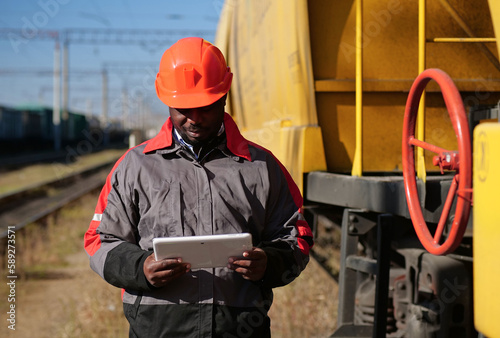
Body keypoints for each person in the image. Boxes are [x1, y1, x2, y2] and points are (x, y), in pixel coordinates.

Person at [84, 37, 313, 337]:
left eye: (204, 107)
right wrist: (140, 268)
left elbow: (298, 237)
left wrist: (269, 263)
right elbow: (99, 241)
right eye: (182, 108)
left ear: (223, 98)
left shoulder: (262, 166)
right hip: (158, 329)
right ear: (167, 101)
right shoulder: (134, 166)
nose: (194, 118)